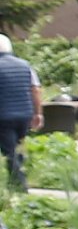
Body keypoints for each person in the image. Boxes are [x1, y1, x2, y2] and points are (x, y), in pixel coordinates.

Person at [0, 35, 42, 192]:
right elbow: (36, 89)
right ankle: (15, 182)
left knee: (10, 152)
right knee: (17, 149)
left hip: (3, 116)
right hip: (24, 115)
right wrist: (38, 114)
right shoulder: (25, 65)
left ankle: (20, 187)